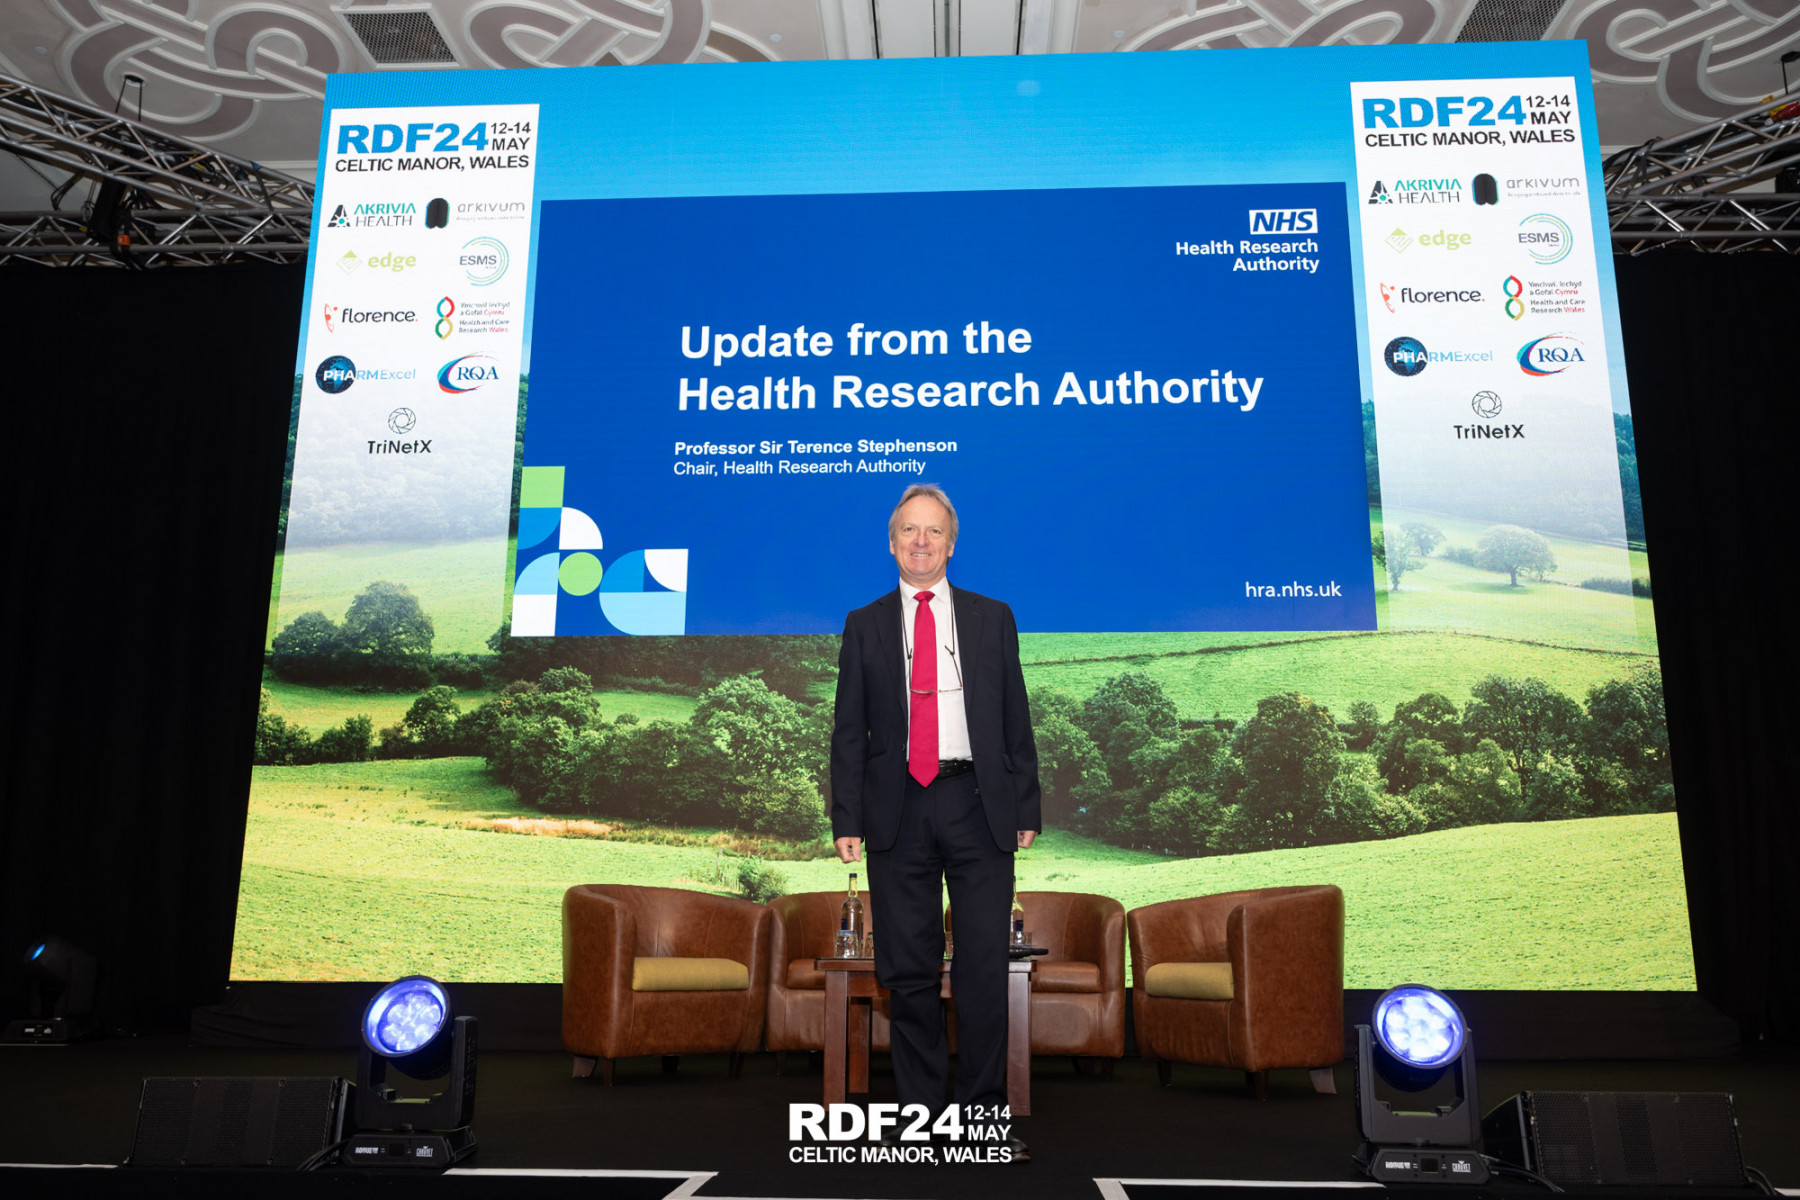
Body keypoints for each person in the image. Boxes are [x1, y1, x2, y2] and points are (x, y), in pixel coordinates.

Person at [830, 483, 1041, 1160]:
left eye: (934, 531)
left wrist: (1026, 805)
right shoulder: (863, 623)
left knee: (982, 967)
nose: (921, 542)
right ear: (891, 543)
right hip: (897, 809)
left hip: (979, 805)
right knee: (908, 970)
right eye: (909, 531)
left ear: (951, 545)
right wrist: (846, 816)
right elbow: (848, 730)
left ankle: (979, 1120)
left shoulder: (992, 617)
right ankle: (922, 1117)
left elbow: (1015, 717)